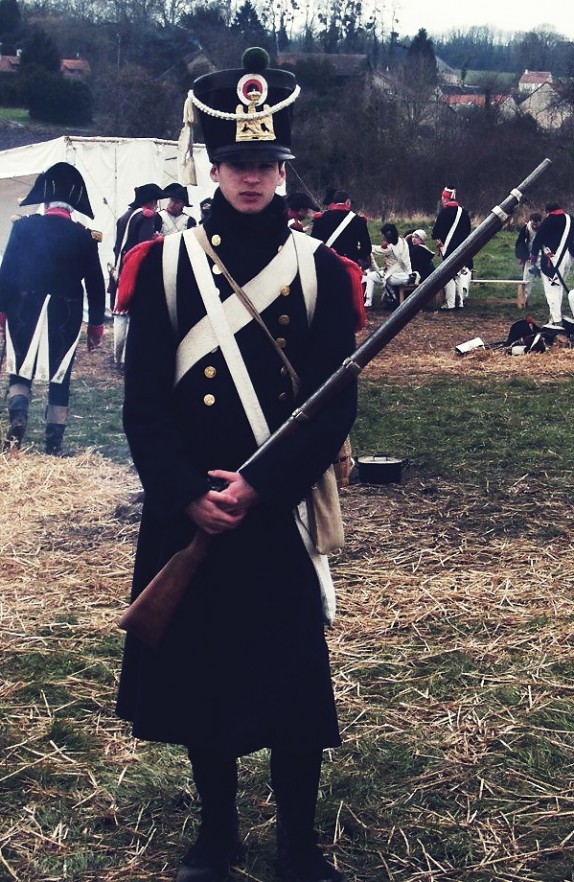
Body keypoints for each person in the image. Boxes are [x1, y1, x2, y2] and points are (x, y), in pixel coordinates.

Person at [115, 46, 358, 882]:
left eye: (266, 163)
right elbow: (143, 404)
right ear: (214, 165)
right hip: (193, 507)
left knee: (292, 688)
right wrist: (187, 495)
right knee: (201, 682)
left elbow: (335, 406)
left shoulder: (320, 270)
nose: (251, 177)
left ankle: (298, 845)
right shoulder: (167, 264)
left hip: (274, 507)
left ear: (281, 169)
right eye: (237, 162)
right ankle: (215, 837)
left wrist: (264, 485)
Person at [0, 162, 105, 455]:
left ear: (45, 202)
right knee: (61, 375)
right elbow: (96, 284)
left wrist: (1, 312)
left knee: (19, 369)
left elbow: (6, 272)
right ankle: (53, 445)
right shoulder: (85, 237)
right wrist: (96, 325)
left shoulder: (22, 227)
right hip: (66, 313)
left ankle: (17, 421)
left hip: (24, 307)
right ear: (71, 206)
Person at [111, 182, 165, 369]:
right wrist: (157, 240)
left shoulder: (124, 217)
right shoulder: (146, 216)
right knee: (134, 315)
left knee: (120, 314)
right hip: (136, 270)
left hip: (121, 269)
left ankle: (117, 357)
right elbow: (144, 247)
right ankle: (127, 358)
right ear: (151, 202)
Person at [530, 201, 574, 328]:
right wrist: (572, 244)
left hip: (552, 259)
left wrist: (533, 255)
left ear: (547, 212)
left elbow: (538, 240)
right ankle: (554, 317)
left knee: (551, 290)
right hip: (567, 258)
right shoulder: (570, 219)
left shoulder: (548, 221)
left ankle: (556, 321)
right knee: (558, 286)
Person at [431, 186, 473, 310]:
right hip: (462, 249)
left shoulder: (443, 213)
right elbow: (468, 230)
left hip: (448, 249)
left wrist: (440, 243)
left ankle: (450, 303)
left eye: (443, 198)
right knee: (458, 275)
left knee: (448, 276)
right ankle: (460, 302)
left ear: (445, 198)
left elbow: (436, 232)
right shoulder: (463, 212)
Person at [311, 189, 372, 270]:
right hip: (349, 265)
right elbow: (366, 248)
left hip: (326, 264)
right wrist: (356, 257)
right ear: (348, 202)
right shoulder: (358, 221)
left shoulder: (321, 218)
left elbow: (314, 243)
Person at [363, 222, 412, 309]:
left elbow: (372, 249)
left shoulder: (389, 248)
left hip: (396, 277)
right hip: (407, 274)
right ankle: (393, 298)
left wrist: (360, 245)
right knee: (384, 275)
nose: (382, 237)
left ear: (387, 235)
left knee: (371, 276)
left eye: (383, 235)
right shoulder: (403, 241)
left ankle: (368, 302)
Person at [514, 212, 542, 305]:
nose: (534, 225)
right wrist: (522, 256)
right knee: (527, 279)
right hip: (529, 256)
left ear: (539, 222)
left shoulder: (543, 229)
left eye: (536, 223)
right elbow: (520, 242)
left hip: (541, 256)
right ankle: (524, 300)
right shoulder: (526, 229)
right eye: (533, 223)